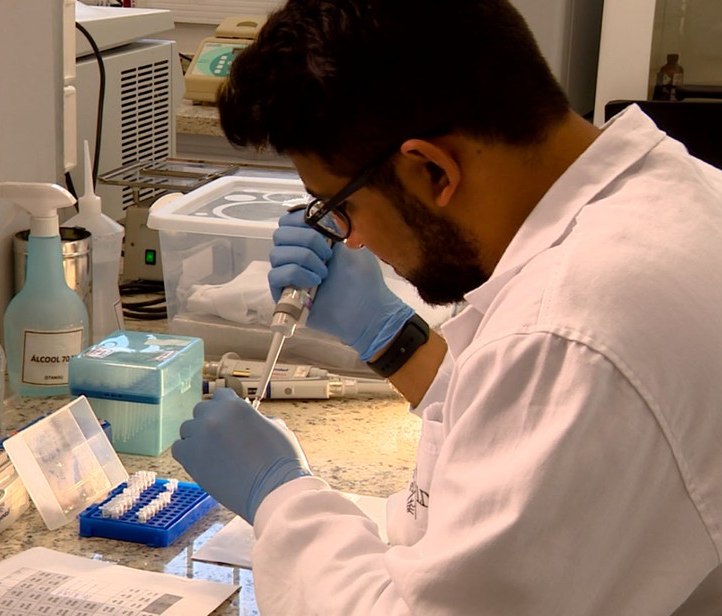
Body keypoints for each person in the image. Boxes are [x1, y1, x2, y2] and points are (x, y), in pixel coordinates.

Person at [170, 0, 722, 613]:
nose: (349, 239)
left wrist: (281, 497)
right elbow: (516, 416)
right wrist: (392, 339)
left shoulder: (570, 330)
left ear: (432, 169)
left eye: (337, 206)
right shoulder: (677, 194)